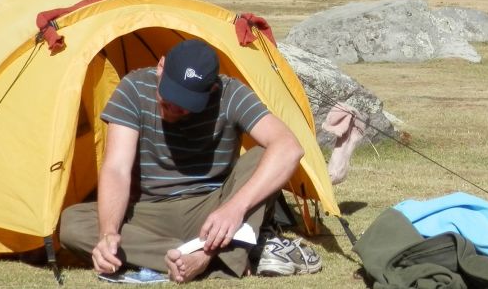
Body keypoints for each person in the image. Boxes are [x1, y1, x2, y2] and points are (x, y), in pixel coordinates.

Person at [59, 39, 304, 283]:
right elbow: (116, 169)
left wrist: (234, 208)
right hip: (149, 214)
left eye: (187, 103)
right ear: (161, 67)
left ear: (211, 91)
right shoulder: (133, 89)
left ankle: (205, 256)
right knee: (72, 224)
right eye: (170, 95)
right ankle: (207, 256)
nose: (175, 107)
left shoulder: (231, 94)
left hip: (213, 209)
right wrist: (108, 233)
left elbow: (289, 148)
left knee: (262, 157)